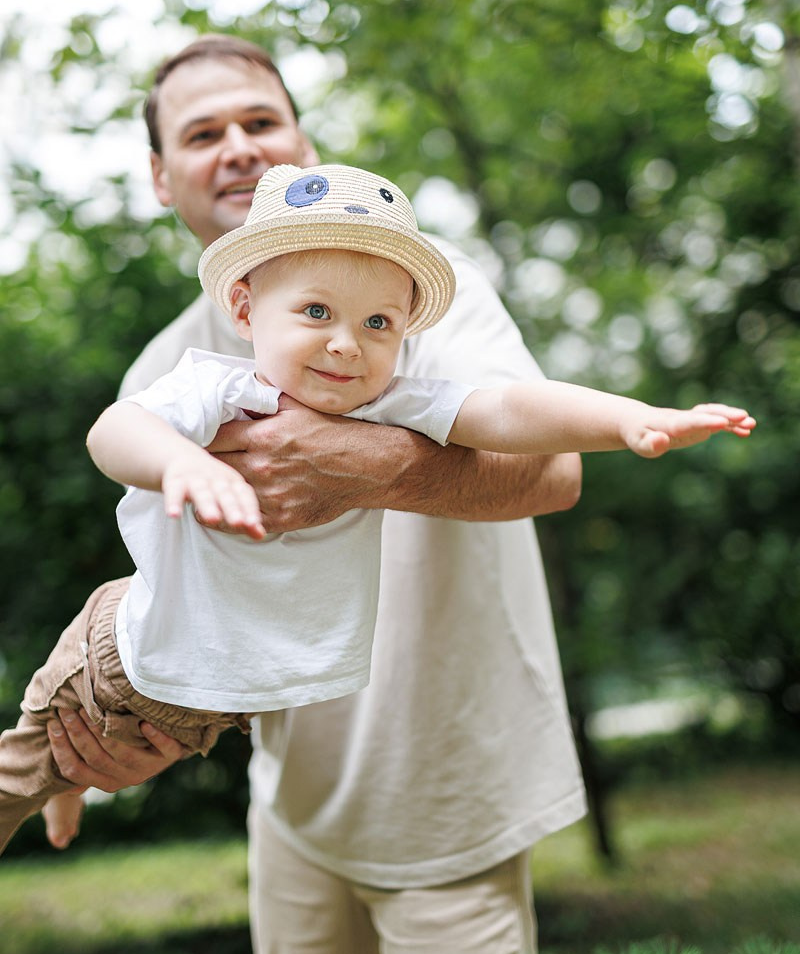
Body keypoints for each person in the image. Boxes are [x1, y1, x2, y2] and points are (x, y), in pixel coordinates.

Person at [25, 36, 678, 954]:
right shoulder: (163, 376)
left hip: (449, 779)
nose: (240, 145)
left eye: (262, 120)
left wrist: (360, 462)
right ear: (163, 178)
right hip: (291, 796)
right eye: (204, 133)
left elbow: (555, 473)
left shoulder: (405, 291)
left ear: (300, 143)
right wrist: (133, 736)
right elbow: (190, 596)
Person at [0, 160, 754, 856]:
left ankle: (60, 791)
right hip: (130, 650)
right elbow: (114, 432)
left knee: (88, 758)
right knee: (30, 763)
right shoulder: (222, 389)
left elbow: (510, 411)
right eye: (317, 311)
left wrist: (628, 419)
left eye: (378, 324)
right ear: (244, 307)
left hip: (229, 685)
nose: (345, 347)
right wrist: (182, 463)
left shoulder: (393, 404)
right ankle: (43, 792)